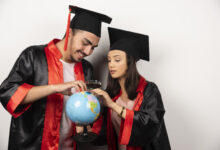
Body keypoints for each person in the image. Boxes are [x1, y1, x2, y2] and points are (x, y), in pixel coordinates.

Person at [0, 5, 111, 150]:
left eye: (93, 47)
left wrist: (85, 124)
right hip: (32, 146)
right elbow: (7, 92)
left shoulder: (86, 68)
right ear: (69, 33)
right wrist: (56, 87)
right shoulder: (33, 56)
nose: (88, 51)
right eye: (85, 43)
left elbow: (87, 107)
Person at [91, 27, 171, 150]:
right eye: (109, 60)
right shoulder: (111, 94)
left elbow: (150, 123)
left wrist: (113, 105)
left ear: (131, 62)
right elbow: (103, 132)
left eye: (117, 60)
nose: (111, 64)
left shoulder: (150, 90)